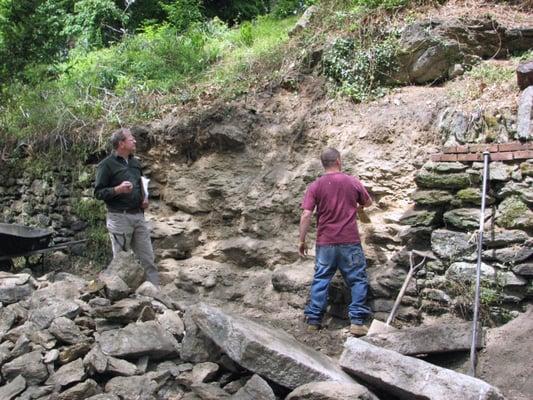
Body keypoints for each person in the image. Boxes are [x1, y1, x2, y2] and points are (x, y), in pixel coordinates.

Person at [298, 147, 372, 337]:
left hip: (325, 243)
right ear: (338, 161)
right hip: (349, 241)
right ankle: (356, 322)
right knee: (356, 280)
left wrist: (302, 240)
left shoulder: (315, 186)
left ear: (323, 164)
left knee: (321, 279)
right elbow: (368, 202)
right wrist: (358, 205)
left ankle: (314, 321)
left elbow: (306, 214)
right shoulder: (352, 181)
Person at [94, 128, 159, 287]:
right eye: (131, 139)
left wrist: (144, 198)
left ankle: (156, 292)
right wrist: (117, 189)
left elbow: (140, 183)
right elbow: (98, 193)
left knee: (148, 257)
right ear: (121, 143)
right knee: (122, 260)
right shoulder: (106, 165)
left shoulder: (135, 163)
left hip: (138, 216)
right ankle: (121, 295)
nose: (135, 141)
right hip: (119, 218)